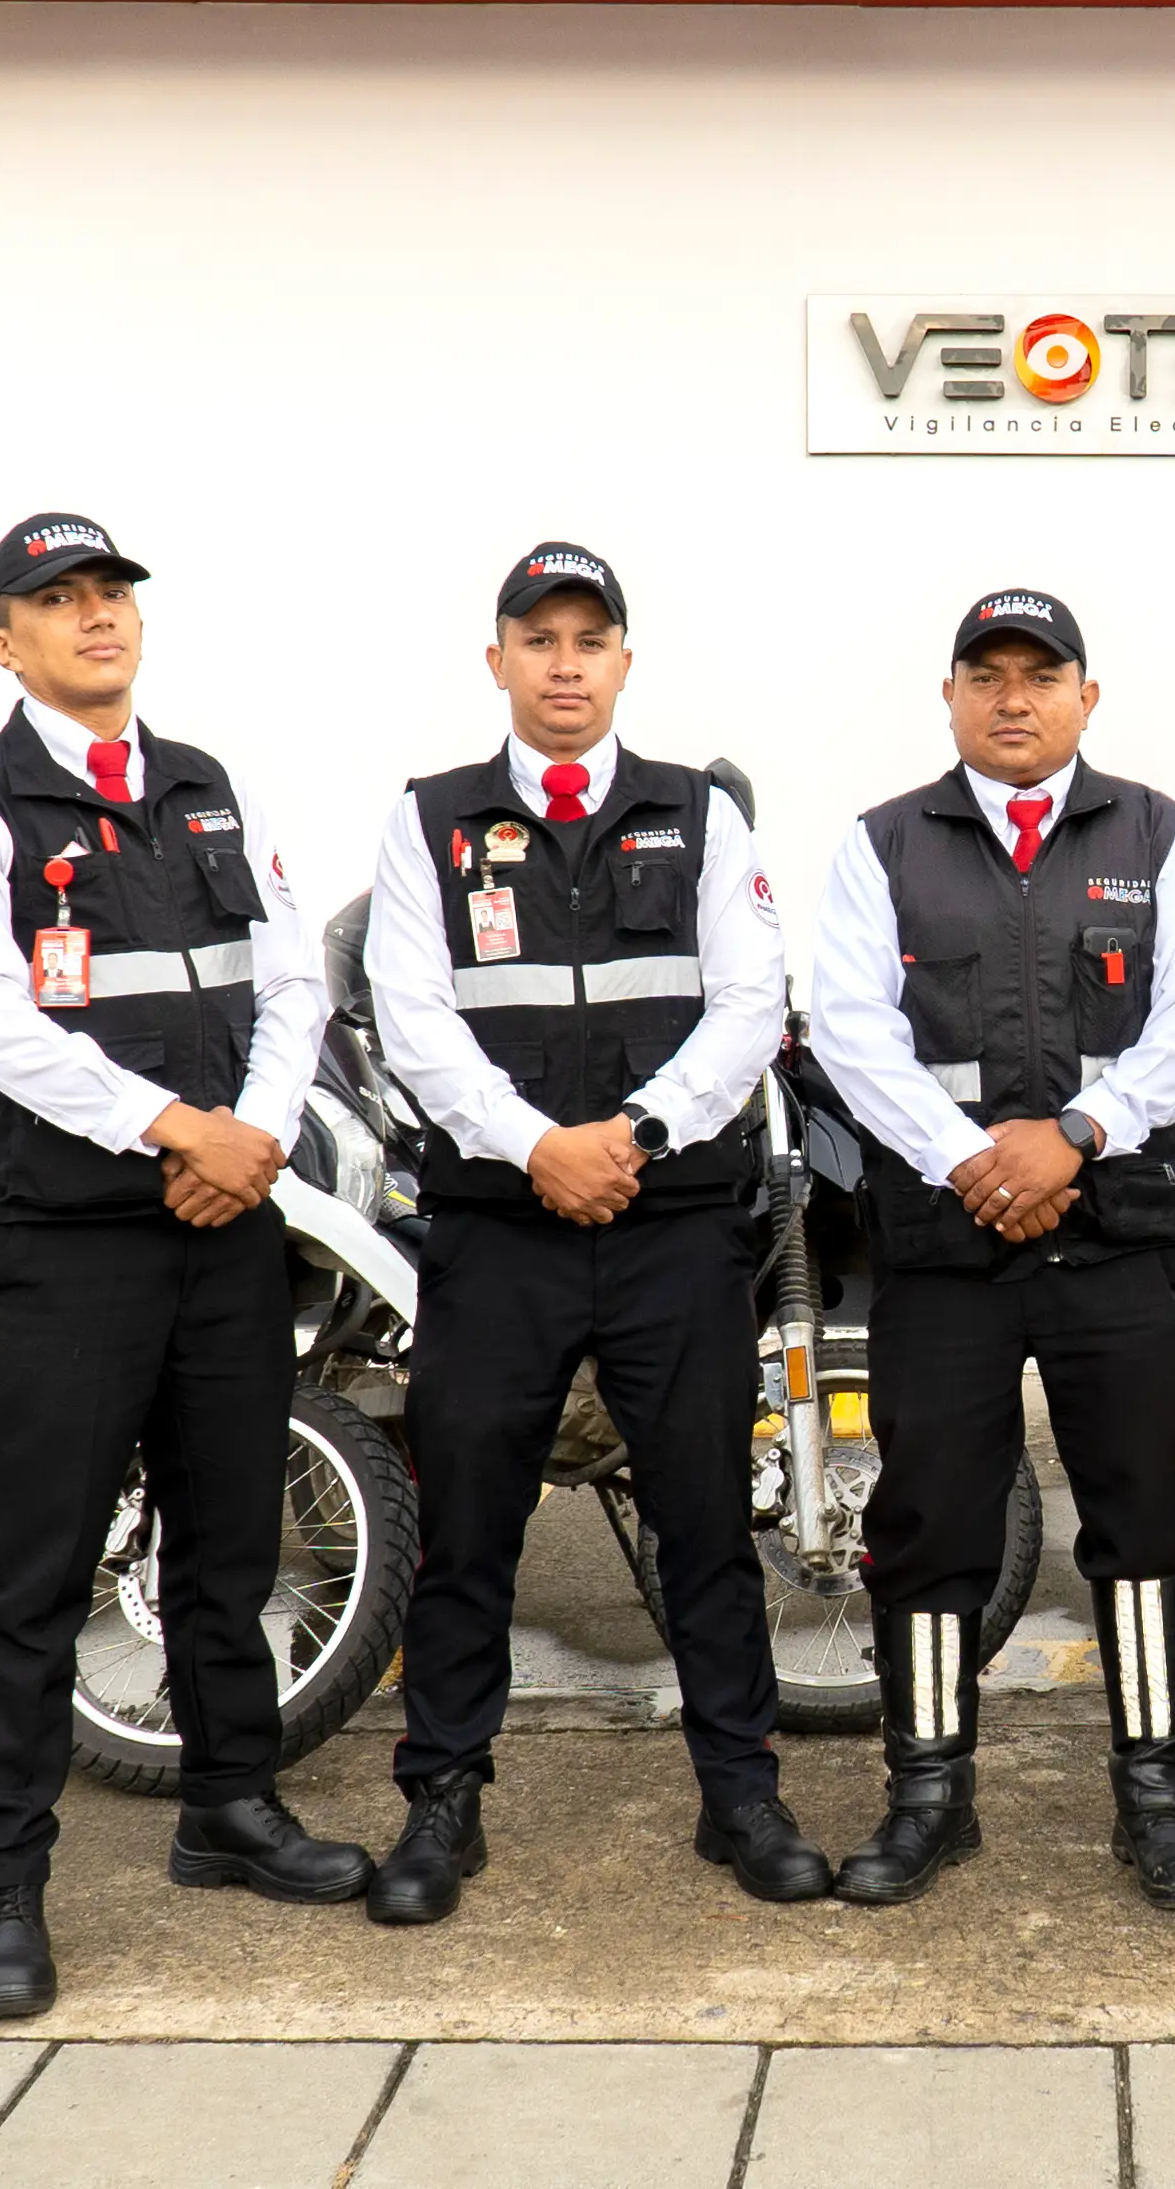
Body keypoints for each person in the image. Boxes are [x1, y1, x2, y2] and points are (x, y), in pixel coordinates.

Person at [0, 512, 372, 2027]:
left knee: (230, 1548)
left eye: (111, 594)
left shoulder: (205, 790)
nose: (96, 617)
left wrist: (257, 1136)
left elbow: (290, 979)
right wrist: (179, 1126)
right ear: (4, 642)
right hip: (71, 1245)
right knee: (32, 1577)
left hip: (228, 1229)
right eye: (58, 599)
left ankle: (231, 1812)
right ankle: (3, 1890)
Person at [360, 539, 829, 1917]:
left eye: (589, 640)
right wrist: (538, 1148)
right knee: (470, 1529)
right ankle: (446, 1803)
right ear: (499, 660)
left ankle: (742, 1791)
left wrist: (631, 1138)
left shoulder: (700, 816)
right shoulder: (428, 820)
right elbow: (416, 1017)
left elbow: (752, 1003)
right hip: (498, 1229)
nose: (565, 665)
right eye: (539, 639)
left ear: (625, 661)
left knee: (702, 1520)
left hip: (669, 1221)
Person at [807, 590, 1175, 1910]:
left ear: (1084, 697)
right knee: (930, 1526)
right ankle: (928, 1796)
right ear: (950, 697)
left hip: (1117, 1241)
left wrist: (1077, 1138)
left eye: (1040, 674)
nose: (1013, 697)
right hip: (948, 1249)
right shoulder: (879, 846)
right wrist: (976, 1163)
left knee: (1147, 1524)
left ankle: (1156, 1802)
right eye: (985, 674)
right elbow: (850, 1030)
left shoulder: (1166, 834)